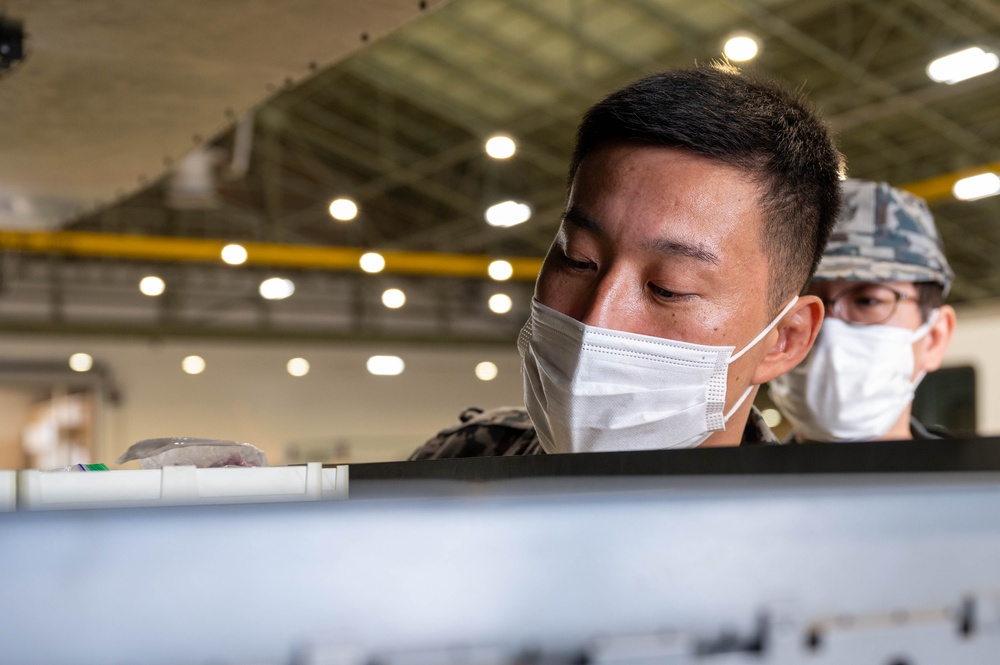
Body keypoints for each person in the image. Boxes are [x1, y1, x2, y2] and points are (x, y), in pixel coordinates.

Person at [410, 63, 843, 459]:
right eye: (578, 260)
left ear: (784, 339)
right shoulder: (454, 462)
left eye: (668, 288)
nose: (596, 322)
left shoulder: (817, 539)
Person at [769, 179, 956, 441]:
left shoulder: (983, 481)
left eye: (867, 301)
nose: (829, 329)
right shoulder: (728, 482)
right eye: (803, 301)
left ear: (935, 338)